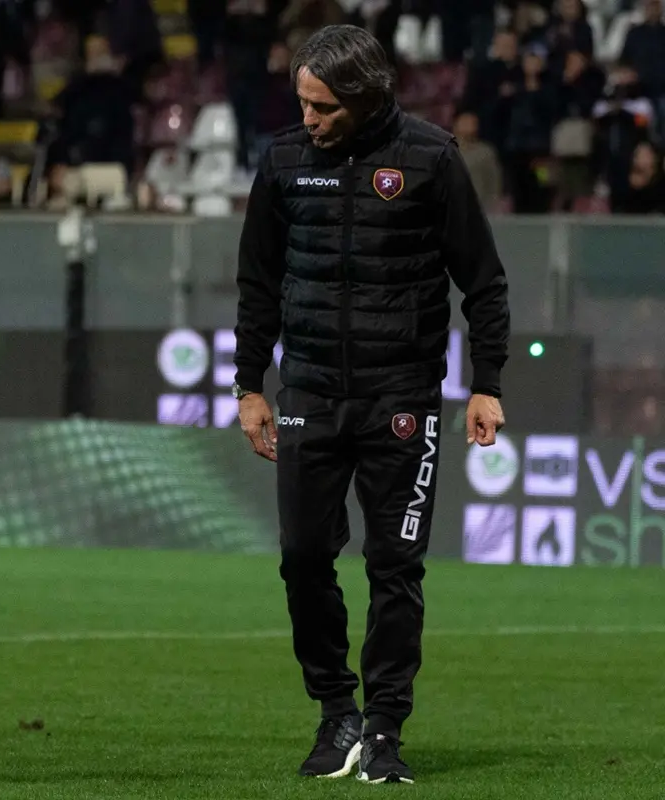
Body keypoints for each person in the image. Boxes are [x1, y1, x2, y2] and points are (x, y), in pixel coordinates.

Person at [231, 25, 510, 785]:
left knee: (396, 568)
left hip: (403, 401)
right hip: (310, 393)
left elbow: (482, 282)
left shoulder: (430, 159)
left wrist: (486, 383)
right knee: (302, 559)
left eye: (322, 106)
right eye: (303, 104)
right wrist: (249, 384)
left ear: (362, 97)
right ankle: (336, 714)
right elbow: (256, 282)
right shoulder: (285, 161)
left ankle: (385, 728)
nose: (310, 119)